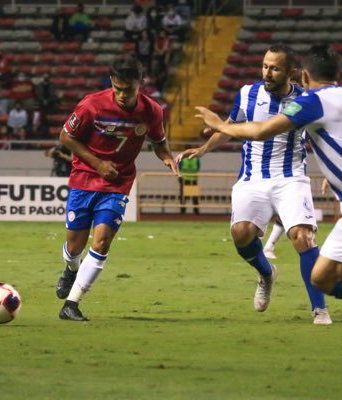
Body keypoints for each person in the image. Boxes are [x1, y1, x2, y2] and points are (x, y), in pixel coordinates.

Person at [176, 44, 332, 324]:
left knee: (302, 237)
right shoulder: (248, 93)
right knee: (241, 234)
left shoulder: (306, 99)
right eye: (264, 66)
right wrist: (202, 150)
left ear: (291, 73)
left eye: (275, 68)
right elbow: (230, 125)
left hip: (291, 177)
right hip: (252, 178)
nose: (267, 73)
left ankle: (319, 309)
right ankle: (266, 273)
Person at [56, 55, 179, 321]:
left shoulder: (152, 111)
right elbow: (65, 136)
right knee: (74, 245)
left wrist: (167, 157)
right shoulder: (91, 105)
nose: (122, 95)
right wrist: (98, 163)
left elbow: (159, 142)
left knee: (101, 241)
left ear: (140, 84)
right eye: (118, 89)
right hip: (84, 179)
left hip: (118, 184)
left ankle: (71, 304)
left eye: (129, 89)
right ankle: (70, 268)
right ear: (112, 82)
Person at [179, 144, 200, 215]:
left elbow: (180, 168)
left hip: (189, 180)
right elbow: (197, 168)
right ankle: (186, 211)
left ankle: (186, 212)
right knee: (185, 197)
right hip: (188, 180)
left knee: (191, 197)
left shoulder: (182, 159)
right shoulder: (195, 159)